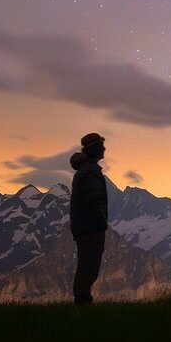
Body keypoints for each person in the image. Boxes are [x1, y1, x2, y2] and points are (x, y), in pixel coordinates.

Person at [69, 131, 109, 305]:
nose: (104, 149)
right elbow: (95, 201)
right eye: (101, 146)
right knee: (89, 266)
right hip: (90, 228)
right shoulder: (91, 172)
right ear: (95, 149)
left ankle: (82, 301)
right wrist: (101, 223)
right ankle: (83, 302)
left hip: (84, 227)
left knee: (86, 264)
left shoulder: (85, 171)